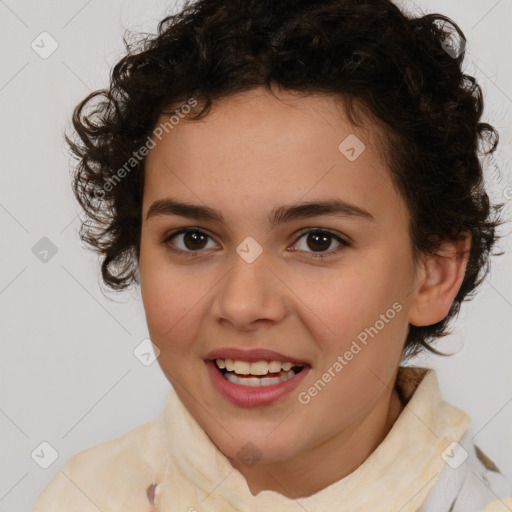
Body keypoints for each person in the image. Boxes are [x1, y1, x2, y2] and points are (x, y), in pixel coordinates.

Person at [33, 0, 511, 510]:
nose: (242, 305)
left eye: (318, 240)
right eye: (194, 239)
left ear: (433, 274)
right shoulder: (82, 495)